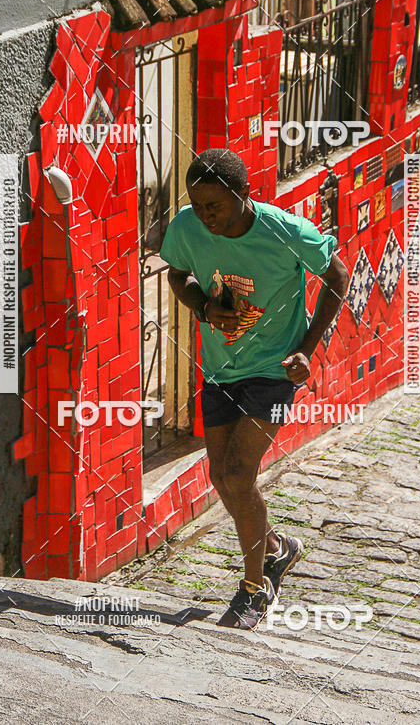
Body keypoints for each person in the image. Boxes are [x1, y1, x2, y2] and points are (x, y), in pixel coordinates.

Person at [160, 148, 349, 630]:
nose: (206, 217)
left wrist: (307, 348)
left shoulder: (285, 232)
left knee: (240, 474)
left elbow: (337, 276)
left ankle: (254, 589)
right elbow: (178, 274)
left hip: (273, 369)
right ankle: (278, 549)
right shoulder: (187, 226)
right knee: (220, 477)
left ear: (244, 195)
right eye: (198, 206)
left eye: (215, 207)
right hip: (222, 367)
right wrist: (203, 307)